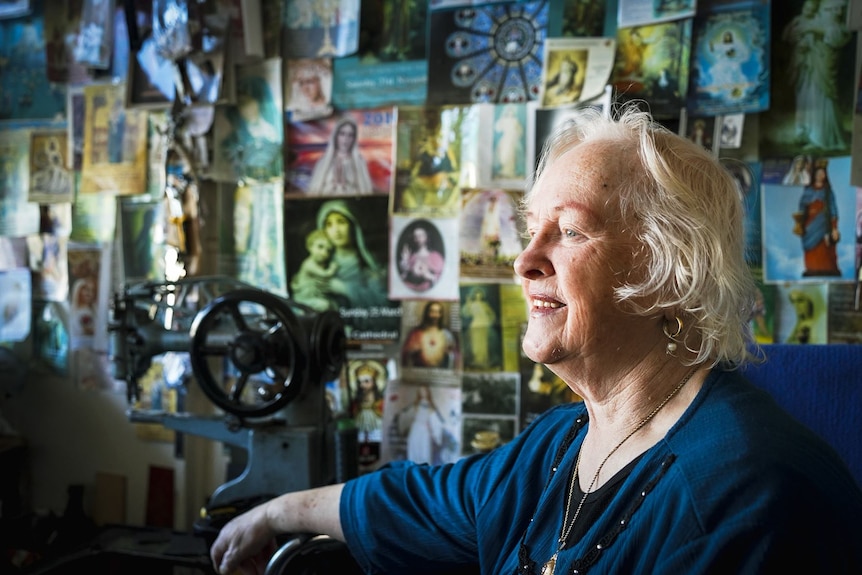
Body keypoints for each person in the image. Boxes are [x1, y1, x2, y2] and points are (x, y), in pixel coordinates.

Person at [209, 105, 862, 575]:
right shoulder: (563, 442)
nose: (525, 260)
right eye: (532, 228)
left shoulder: (746, 500)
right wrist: (277, 512)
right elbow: (428, 500)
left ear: (671, 272)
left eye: (570, 231)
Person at [782, 0, 851, 151]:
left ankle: (821, 137)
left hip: (821, 68)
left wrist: (813, 29)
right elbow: (791, 36)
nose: (837, 13)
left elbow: (839, 35)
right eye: (832, 9)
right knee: (806, 98)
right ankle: (806, 133)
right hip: (807, 67)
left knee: (820, 98)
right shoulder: (809, 20)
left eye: (840, 9)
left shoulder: (833, 25)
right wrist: (801, 46)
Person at [313, 200, 388, 312]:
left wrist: (345, 289)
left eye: (341, 222)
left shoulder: (371, 264)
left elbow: (384, 306)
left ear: (353, 225)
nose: (336, 230)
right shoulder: (320, 267)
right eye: (329, 224)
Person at [794, 160, 841, 277]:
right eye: (819, 173)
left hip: (824, 226)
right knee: (811, 249)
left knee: (824, 248)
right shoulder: (808, 191)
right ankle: (812, 268)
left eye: (823, 173)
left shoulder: (828, 192)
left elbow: (833, 209)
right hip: (809, 226)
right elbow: (802, 207)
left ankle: (827, 268)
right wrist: (800, 222)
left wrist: (834, 227)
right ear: (814, 174)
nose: (821, 175)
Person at [307, 117, 374, 196]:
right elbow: (313, 192)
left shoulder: (359, 162)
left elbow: (366, 193)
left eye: (350, 135)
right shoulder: (323, 161)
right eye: (342, 134)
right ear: (336, 136)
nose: (346, 139)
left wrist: (345, 187)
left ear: (354, 139)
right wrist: (333, 186)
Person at [290, 229, 338, 312]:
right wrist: (332, 268)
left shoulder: (320, 264)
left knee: (334, 305)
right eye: (320, 247)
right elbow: (325, 274)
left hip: (315, 297)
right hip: (303, 300)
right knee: (325, 305)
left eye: (328, 250)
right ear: (310, 246)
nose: (324, 253)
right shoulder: (308, 264)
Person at [401, 301, 458, 369]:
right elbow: (405, 353)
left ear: (441, 315)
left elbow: (456, 355)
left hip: (440, 371)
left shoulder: (446, 334)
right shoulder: (416, 333)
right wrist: (412, 350)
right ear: (427, 313)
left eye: (438, 312)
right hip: (420, 371)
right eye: (432, 312)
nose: (435, 316)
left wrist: (449, 353)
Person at [398, 224, 445, 292]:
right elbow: (403, 276)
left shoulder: (436, 256)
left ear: (427, 237)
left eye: (420, 235)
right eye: (415, 236)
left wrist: (429, 276)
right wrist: (405, 259)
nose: (418, 238)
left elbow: (442, 280)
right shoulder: (412, 256)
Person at [461, 286, 498, 370]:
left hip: (484, 325)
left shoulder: (485, 305)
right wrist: (467, 303)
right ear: (474, 295)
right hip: (475, 325)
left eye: (480, 294)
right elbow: (466, 313)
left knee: (484, 345)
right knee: (475, 345)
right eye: (476, 294)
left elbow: (491, 315)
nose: (478, 295)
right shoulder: (472, 305)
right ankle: (476, 362)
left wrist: (489, 321)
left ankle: (483, 362)